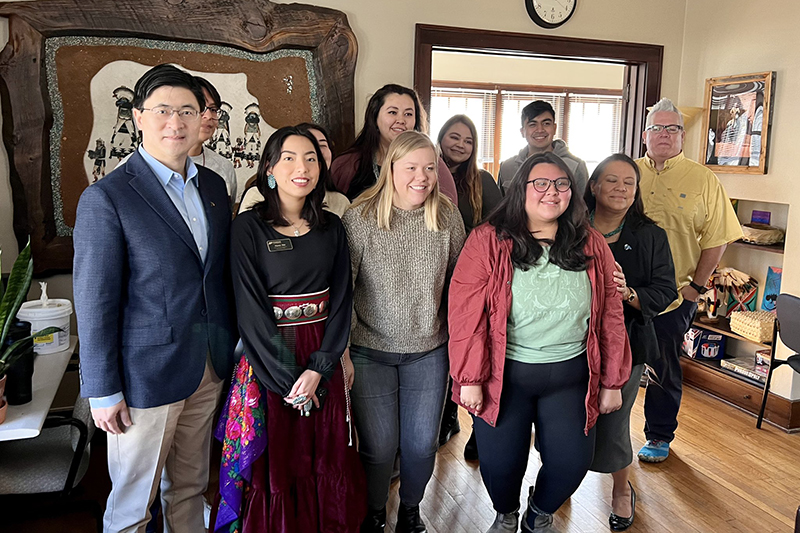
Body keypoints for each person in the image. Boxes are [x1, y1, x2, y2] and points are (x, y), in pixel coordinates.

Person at [73, 64, 237, 533]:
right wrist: (102, 389)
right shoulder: (108, 197)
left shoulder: (213, 187)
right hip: (144, 378)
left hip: (206, 366)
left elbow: (215, 278)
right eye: (163, 110)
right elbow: (95, 300)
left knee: (189, 489)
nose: (176, 122)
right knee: (132, 506)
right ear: (139, 117)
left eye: (187, 110)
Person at [448, 152, 631, 533]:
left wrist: (613, 381)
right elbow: (465, 314)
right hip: (504, 376)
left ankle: (539, 510)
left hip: (571, 376)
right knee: (500, 466)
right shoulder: (488, 240)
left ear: (572, 193)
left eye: (562, 184)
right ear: (522, 190)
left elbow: (611, 316)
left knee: (571, 463)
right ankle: (506, 514)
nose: (552, 192)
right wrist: (469, 378)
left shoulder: (591, 243)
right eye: (541, 184)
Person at [215, 126, 365, 532]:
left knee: (327, 457)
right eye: (290, 158)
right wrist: (288, 382)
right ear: (269, 168)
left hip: (323, 358)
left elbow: (342, 301)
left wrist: (320, 368)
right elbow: (249, 310)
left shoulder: (332, 227)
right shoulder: (248, 227)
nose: (303, 167)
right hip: (269, 360)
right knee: (278, 464)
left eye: (311, 158)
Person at [342, 131, 466, 533]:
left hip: (429, 350)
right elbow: (344, 290)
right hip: (369, 349)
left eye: (429, 167)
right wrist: (343, 352)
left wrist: (462, 350)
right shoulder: (360, 218)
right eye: (411, 167)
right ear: (389, 168)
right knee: (379, 447)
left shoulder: (446, 216)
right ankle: (375, 511)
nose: (422, 177)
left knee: (421, 445)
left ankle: (410, 511)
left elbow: (461, 286)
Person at [635, 98, 743, 463]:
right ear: (645, 134)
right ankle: (604, 432)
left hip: (673, 296)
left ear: (683, 135)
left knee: (663, 368)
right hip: (622, 292)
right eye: (657, 128)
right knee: (611, 363)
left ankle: (659, 435)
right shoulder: (627, 172)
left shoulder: (704, 179)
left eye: (672, 128)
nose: (664, 135)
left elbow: (718, 238)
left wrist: (695, 288)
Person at [584, 154, 678, 531]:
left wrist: (629, 293)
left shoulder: (650, 235)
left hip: (626, 343)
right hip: (567, 341)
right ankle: (555, 481)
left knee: (613, 422)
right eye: (612, 180)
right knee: (563, 419)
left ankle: (622, 490)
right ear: (593, 186)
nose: (621, 189)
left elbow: (665, 289)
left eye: (629, 183)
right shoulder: (570, 226)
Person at [435, 114, 502, 457]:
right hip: (434, 278)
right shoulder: (426, 173)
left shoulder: (483, 181)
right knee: (443, 351)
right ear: (440, 138)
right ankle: (447, 416)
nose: (460, 145)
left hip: (474, 283)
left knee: (475, 351)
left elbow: (498, 230)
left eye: (468, 140)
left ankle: (479, 426)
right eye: (454, 137)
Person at [116, 76, 238, 207]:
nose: (208, 116)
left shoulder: (223, 168)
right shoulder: (129, 170)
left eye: (213, 110)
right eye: (200, 107)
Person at [331, 83, 458, 203]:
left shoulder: (431, 163)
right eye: (392, 112)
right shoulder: (347, 164)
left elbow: (449, 209)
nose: (401, 120)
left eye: (408, 114)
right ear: (375, 117)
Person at [238, 122, 350, 217]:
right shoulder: (256, 196)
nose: (303, 167)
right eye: (289, 158)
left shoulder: (340, 202)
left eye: (322, 145)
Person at [496, 100, 589, 195]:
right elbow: (502, 202)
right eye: (532, 125)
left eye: (546, 123)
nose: (540, 130)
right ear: (522, 131)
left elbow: (582, 203)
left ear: (554, 128)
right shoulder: (507, 167)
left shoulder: (575, 166)